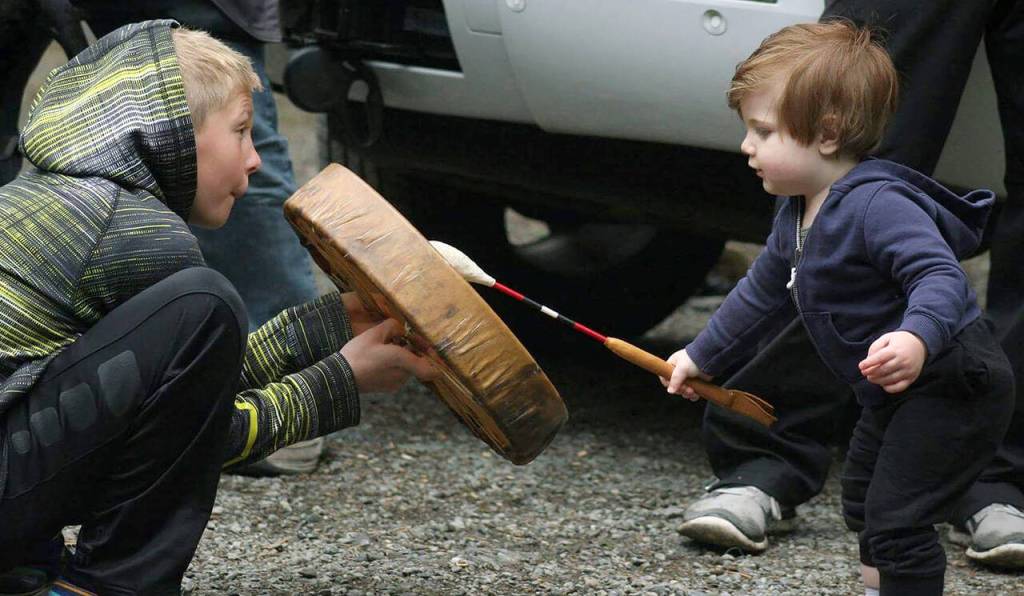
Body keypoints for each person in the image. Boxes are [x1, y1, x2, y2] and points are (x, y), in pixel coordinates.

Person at [0, 20, 436, 594]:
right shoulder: (134, 232)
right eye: (241, 132)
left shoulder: (55, 197)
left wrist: (329, 324)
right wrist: (341, 381)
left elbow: (176, 389)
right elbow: (200, 435)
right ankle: (108, 584)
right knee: (207, 302)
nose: (255, 160)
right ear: (177, 134)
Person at [664, 21, 1014, 595]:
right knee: (864, 498)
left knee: (900, 515)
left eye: (762, 131)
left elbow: (942, 277)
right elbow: (759, 293)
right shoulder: (798, 210)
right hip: (893, 390)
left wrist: (916, 337)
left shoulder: (880, 205)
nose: (746, 147)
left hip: (954, 384)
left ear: (826, 135)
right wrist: (701, 356)